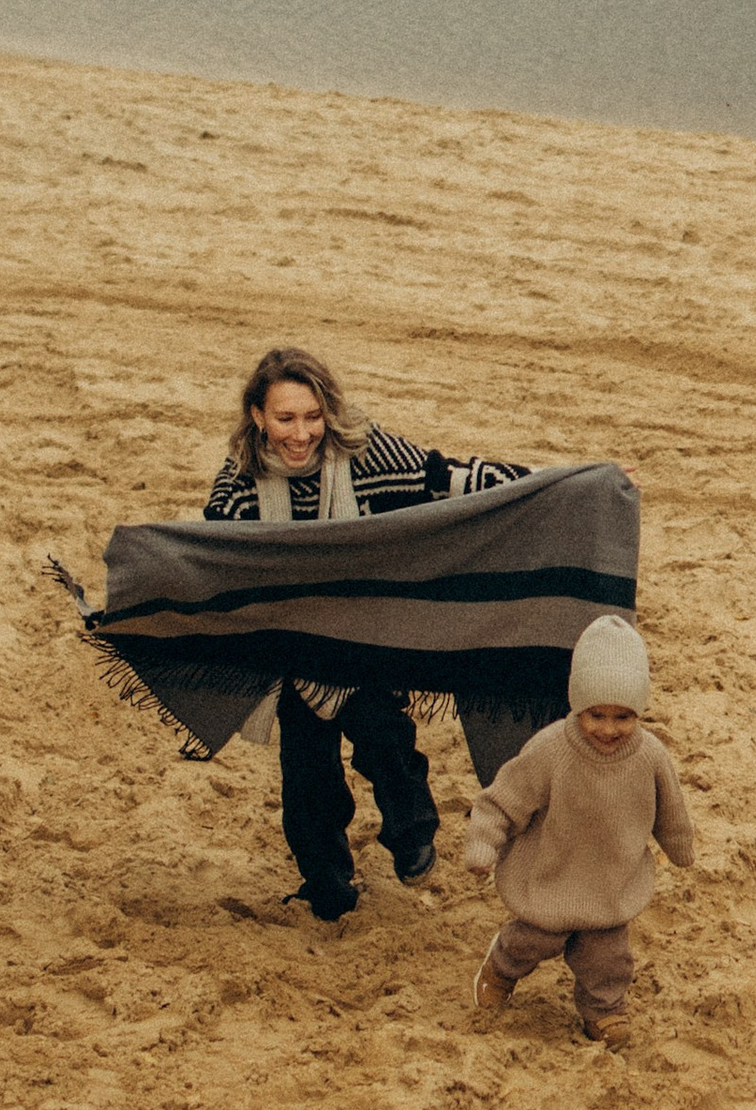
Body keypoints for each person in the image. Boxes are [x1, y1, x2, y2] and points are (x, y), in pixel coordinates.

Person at [202, 344, 524, 922]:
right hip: (296, 653)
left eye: (311, 416)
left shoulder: (368, 454)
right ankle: (325, 880)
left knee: (386, 739)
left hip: (369, 638)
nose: (301, 434)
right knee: (307, 772)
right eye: (284, 419)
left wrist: (567, 482)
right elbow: (218, 560)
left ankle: (412, 835)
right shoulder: (239, 486)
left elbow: (453, 478)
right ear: (256, 417)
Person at [463, 616, 695, 1041]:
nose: (608, 729)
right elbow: (503, 799)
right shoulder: (551, 749)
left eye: (623, 717)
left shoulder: (650, 756)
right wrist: (483, 844)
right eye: (596, 715)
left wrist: (679, 845)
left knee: (608, 959)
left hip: (611, 882)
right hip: (550, 876)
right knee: (532, 941)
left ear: (639, 711)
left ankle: (603, 1010)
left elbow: (671, 809)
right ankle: (501, 966)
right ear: (577, 705)